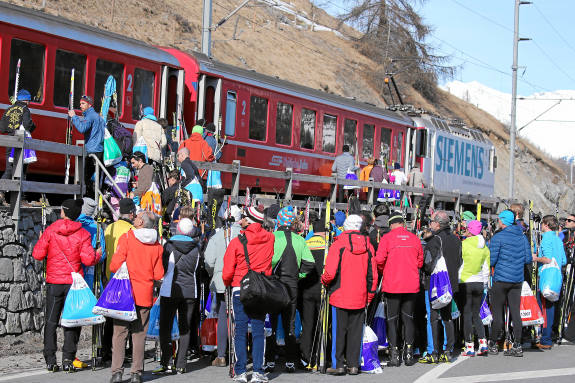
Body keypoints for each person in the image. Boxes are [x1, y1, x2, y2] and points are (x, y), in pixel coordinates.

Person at [32, 199, 100, 373]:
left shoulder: (51, 230)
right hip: (73, 284)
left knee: (51, 321)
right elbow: (88, 259)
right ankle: (68, 358)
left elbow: (38, 255)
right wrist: (97, 254)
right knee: (72, 320)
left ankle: (50, 359)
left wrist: (41, 241)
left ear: (63, 212)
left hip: (54, 282)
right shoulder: (83, 233)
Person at [109, 211, 164, 383]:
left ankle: (117, 372)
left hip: (125, 294)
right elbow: (158, 274)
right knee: (139, 335)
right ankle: (136, 373)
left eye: (137, 216)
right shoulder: (157, 245)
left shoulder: (127, 238)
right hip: (145, 294)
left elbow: (114, 266)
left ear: (140, 221)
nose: (134, 218)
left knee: (119, 333)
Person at [321, 215, 378, 376]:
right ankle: (353, 365)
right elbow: (373, 275)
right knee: (355, 332)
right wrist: (370, 295)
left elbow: (330, 273)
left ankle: (338, 364)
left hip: (340, 294)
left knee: (339, 331)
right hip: (360, 295)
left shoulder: (338, 244)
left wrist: (324, 281)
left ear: (345, 226)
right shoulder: (368, 246)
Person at [222, 205, 273, 383]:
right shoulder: (270, 239)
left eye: (244, 217)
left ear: (249, 220)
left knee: (241, 330)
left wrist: (227, 283)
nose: (241, 219)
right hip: (260, 287)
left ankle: (241, 371)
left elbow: (227, 269)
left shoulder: (238, 241)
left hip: (239, 287)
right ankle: (258, 371)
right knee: (259, 329)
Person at [265, 206, 316, 373]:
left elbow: (265, 261)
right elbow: (309, 263)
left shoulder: (271, 237)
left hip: (274, 285)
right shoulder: (300, 240)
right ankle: (290, 362)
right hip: (292, 286)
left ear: (278, 221)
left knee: (271, 324)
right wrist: (298, 276)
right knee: (290, 324)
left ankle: (270, 361)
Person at [154, 218, 202, 374]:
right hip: (190, 291)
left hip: (170, 289)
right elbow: (197, 270)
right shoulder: (197, 248)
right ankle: (181, 363)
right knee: (185, 327)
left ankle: (167, 361)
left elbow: (163, 267)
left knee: (165, 326)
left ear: (178, 230)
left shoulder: (169, 246)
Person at [376, 212, 423, 367]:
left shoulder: (387, 238)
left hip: (393, 284)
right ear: (403, 223)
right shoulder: (415, 238)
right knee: (408, 318)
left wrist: (386, 270)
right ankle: (409, 353)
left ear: (391, 224)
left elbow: (379, 260)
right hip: (411, 285)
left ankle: (394, 355)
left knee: (392, 319)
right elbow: (420, 262)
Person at [487, 210, 531, 357]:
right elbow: (528, 259)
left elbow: (491, 260)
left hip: (501, 279)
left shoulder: (498, 237)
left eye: (499, 219)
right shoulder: (522, 237)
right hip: (517, 279)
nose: (498, 222)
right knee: (515, 312)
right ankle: (517, 345)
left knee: (497, 312)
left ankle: (493, 343)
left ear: (503, 221)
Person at [204, 204, 243, 367]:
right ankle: (240, 354)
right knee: (239, 318)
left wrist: (214, 273)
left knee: (222, 316)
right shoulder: (242, 235)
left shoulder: (217, 236)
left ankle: (221, 355)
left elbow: (209, 261)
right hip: (240, 281)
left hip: (221, 281)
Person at [423, 210, 462, 363]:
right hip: (451, 283)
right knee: (447, 317)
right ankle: (448, 350)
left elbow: (427, 264)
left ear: (437, 224)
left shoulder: (435, 239)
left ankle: (433, 352)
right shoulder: (456, 239)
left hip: (434, 283)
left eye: (431, 221)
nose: (430, 224)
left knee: (432, 317)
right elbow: (459, 261)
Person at [102, 198, 136, 362]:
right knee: (127, 315)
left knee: (110, 314)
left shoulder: (109, 227)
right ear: (131, 213)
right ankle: (126, 350)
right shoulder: (131, 229)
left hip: (110, 275)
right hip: (126, 277)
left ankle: (106, 349)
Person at [533, 215, 567, 349]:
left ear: (546, 224)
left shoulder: (546, 238)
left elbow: (547, 259)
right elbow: (563, 260)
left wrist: (536, 258)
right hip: (557, 276)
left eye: (542, 224)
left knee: (545, 308)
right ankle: (547, 336)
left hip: (547, 276)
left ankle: (546, 339)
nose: (541, 226)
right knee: (551, 306)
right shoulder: (558, 239)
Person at [459, 220, 490, 356]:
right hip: (479, 283)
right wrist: (484, 284)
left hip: (465, 281)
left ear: (469, 231)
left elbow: (459, 263)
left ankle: (469, 346)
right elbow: (486, 268)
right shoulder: (485, 247)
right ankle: (483, 343)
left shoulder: (464, 244)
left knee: (467, 314)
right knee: (476, 314)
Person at [299, 219, 327, 368]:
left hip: (307, 289)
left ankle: (305, 357)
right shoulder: (327, 246)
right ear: (324, 232)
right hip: (322, 289)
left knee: (307, 324)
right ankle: (320, 355)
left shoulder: (305, 243)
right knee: (322, 325)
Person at [0, 89, 36, 199]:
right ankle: (21, 199)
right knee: (22, 170)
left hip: (9, 141)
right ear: (27, 100)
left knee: (9, 169)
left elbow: (2, 127)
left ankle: (1, 192)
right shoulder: (25, 109)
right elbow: (27, 124)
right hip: (19, 142)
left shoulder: (9, 109)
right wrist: (33, 126)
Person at [68, 95, 105, 196]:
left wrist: (74, 117)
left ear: (89, 105)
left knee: (86, 178)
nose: (80, 106)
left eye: (83, 103)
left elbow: (82, 128)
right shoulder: (98, 117)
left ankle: (88, 200)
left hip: (92, 151)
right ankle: (96, 200)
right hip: (100, 150)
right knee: (96, 179)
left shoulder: (90, 116)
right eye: (80, 103)